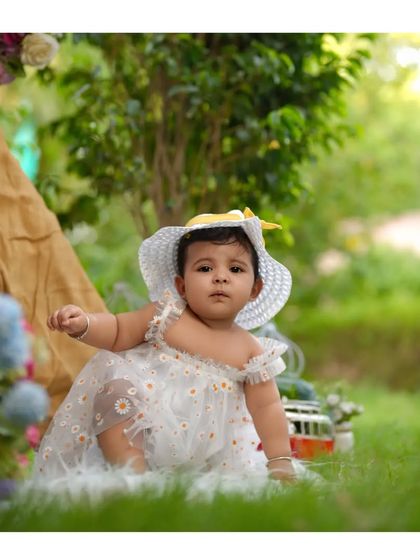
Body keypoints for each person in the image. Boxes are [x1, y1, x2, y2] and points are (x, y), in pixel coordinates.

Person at [34, 208, 297, 488]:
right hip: (144, 427)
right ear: (181, 286)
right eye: (205, 268)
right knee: (115, 390)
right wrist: (84, 323)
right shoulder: (167, 315)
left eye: (235, 269)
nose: (220, 277)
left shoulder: (251, 351)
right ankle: (132, 479)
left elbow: (267, 407)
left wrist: (280, 460)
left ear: (255, 289)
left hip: (204, 451)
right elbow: (118, 330)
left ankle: (174, 482)